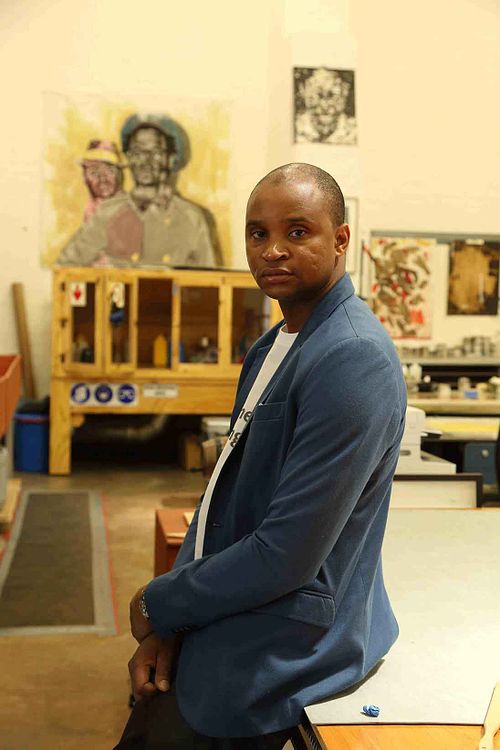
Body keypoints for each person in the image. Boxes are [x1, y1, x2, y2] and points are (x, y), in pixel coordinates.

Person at [115, 163, 406, 749]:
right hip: (239, 601)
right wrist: (171, 620)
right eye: (257, 233)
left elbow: (285, 555)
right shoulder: (272, 347)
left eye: (297, 232)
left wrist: (158, 602)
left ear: (340, 239)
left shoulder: (352, 357)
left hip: (292, 636)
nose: (272, 250)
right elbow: (221, 501)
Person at [56, 114, 217, 268]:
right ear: (129, 158)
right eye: (138, 153)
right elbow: (65, 266)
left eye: (155, 153)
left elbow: (210, 282)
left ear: (170, 159)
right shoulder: (107, 214)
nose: (145, 161)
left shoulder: (191, 219)